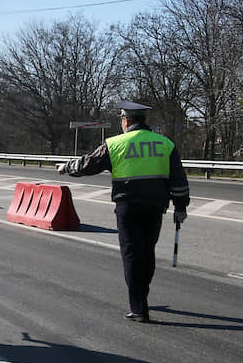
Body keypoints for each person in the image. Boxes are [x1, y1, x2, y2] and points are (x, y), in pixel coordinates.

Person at [56, 100, 189, 323]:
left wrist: (67, 167)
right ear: (143, 121)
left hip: (128, 207)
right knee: (147, 252)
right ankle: (142, 296)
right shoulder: (165, 144)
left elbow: (89, 164)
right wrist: (181, 207)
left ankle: (138, 307)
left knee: (131, 254)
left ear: (126, 120)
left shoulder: (116, 143)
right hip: (156, 207)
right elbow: (178, 178)